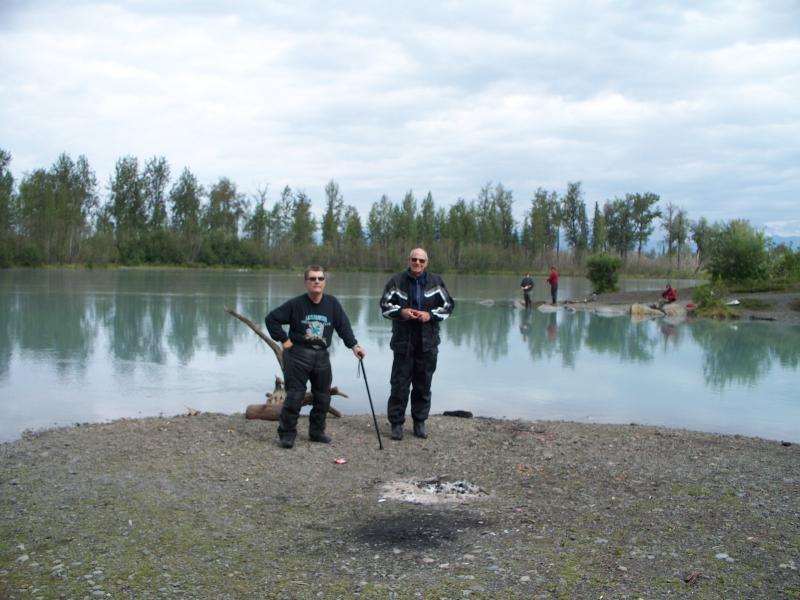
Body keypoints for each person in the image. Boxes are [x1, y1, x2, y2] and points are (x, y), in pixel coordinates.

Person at [265, 265, 365, 449]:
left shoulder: (332, 304)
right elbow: (271, 319)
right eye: (312, 279)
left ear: (324, 282)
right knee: (295, 396)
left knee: (323, 397)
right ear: (306, 282)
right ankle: (287, 435)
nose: (316, 282)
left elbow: (344, 328)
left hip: (321, 356)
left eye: (320, 278)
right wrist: (284, 339)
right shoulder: (296, 304)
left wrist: (354, 347)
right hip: (298, 355)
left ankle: (317, 432)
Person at [380, 248, 454, 441]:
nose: (418, 263)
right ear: (408, 260)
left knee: (423, 384)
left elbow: (448, 306)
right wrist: (401, 312)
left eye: (421, 260)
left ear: (427, 262)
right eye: (414, 259)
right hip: (403, 342)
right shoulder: (396, 282)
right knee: (399, 384)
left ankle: (419, 421)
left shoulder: (436, 282)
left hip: (428, 343)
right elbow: (385, 306)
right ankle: (396, 424)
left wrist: (430, 315)